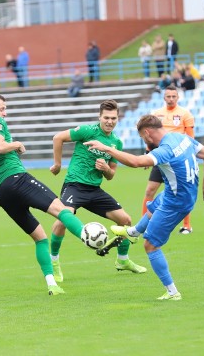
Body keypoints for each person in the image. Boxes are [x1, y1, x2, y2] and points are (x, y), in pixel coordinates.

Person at [84, 114, 204, 300]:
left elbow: (136, 162)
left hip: (176, 203)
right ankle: (133, 232)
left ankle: (172, 292)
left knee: (151, 246)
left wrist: (106, 149)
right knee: (153, 205)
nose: (143, 141)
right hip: (177, 193)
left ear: (147, 133)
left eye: (142, 137)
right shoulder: (182, 138)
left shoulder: (165, 150)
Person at [0, 94, 95, 296]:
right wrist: (16, 144)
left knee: (40, 237)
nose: (4, 113)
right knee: (61, 209)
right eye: (2, 108)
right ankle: (88, 236)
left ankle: (52, 284)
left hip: (0, 190)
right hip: (15, 178)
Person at [48, 99, 146, 282]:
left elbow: (111, 175)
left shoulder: (116, 143)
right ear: (99, 117)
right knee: (63, 219)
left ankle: (123, 261)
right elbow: (57, 137)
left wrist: (106, 169)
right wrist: (57, 164)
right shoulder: (87, 131)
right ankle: (54, 264)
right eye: (106, 118)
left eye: (113, 118)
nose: (110, 121)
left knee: (125, 220)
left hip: (94, 190)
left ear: (118, 118)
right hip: (74, 185)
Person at [143, 85, 195, 234]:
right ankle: (144, 222)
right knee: (150, 190)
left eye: (174, 96)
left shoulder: (185, 114)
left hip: (178, 160)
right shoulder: (157, 114)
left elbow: (190, 138)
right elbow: (150, 136)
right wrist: (147, 153)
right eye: (168, 96)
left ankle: (186, 225)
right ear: (164, 98)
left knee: (182, 193)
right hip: (160, 158)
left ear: (178, 98)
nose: (171, 99)